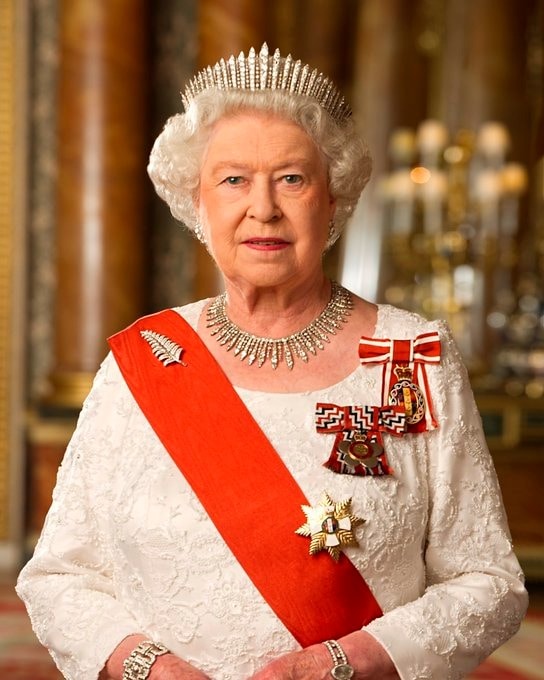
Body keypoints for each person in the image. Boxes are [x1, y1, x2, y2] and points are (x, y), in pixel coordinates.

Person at [17, 44, 527, 680]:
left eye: (292, 178)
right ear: (197, 205)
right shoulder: (143, 361)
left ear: (333, 199)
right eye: (233, 180)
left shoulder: (412, 356)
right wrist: (149, 668)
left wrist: (346, 662)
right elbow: (60, 574)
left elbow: (488, 582)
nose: (263, 207)